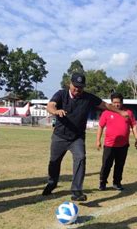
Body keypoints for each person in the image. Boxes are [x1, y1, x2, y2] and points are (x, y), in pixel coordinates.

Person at [42, 72, 129, 201]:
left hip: (77, 137)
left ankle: (77, 190)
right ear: (69, 84)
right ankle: (52, 182)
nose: (77, 90)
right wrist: (56, 111)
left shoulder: (88, 98)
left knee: (80, 158)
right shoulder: (61, 94)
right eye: (75, 86)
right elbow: (50, 105)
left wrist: (120, 112)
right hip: (59, 136)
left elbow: (105, 105)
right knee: (54, 161)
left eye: (80, 87)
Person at [96, 92, 137, 191]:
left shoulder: (128, 113)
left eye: (118, 102)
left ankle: (117, 182)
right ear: (111, 103)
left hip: (123, 145)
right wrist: (98, 140)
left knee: (120, 165)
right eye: (114, 102)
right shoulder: (106, 113)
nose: (116, 104)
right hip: (109, 145)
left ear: (122, 102)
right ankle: (102, 182)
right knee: (106, 164)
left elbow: (133, 126)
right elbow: (100, 126)